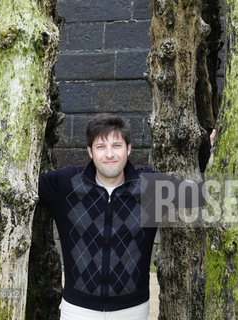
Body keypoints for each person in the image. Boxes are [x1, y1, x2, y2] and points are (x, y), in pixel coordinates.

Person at [38, 114, 215, 320]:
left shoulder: (151, 187)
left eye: (116, 145)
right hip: (77, 309)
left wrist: (214, 153)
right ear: (90, 152)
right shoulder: (65, 184)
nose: (109, 154)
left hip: (132, 310)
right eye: (101, 147)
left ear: (128, 149)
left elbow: (203, 196)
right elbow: (15, 188)